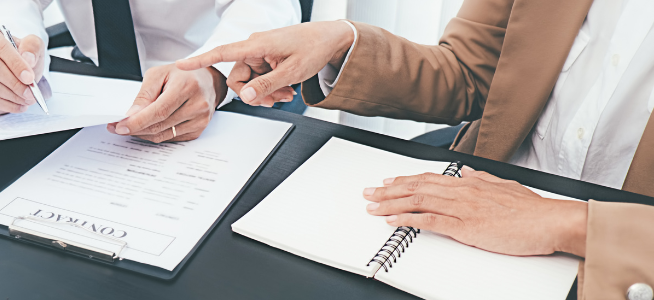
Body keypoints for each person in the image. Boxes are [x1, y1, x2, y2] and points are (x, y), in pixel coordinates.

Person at [178, 0, 654, 298]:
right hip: (475, 205)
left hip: (615, 261)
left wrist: (568, 222)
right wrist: (343, 43)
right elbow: (471, 73)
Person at [0, 0, 299, 143]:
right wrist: (2, 52)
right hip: (93, 93)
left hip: (212, 81)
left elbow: (267, 5)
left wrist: (213, 74)